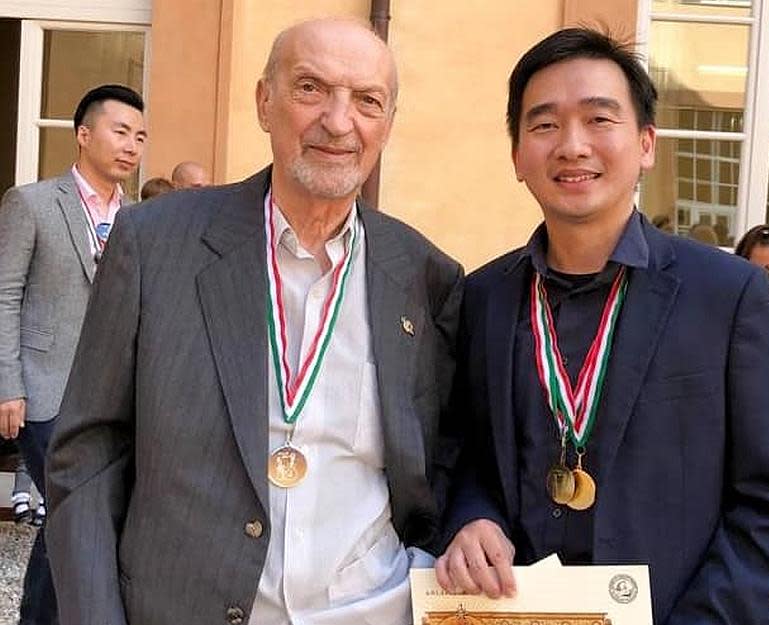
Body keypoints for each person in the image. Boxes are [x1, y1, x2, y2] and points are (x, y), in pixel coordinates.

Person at [46, 18, 463, 625]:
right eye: (311, 88)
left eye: (367, 101)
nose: (339, 121)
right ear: (264, 101)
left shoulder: (426, 275)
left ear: (388, 124)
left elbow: (442, 456)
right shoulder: (156, 244)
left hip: (372, 609)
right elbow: (87, 456)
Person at [434, 28, 769, 625]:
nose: (572, 146)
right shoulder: (483, 297)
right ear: (518, 155)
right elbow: (466, 453)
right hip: (515, 614)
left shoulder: (727, 295)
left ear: (647, 143)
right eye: (545, 124)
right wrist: (472, 517)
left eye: (600, 119)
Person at [0, 83, 146, 625]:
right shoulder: (32, 203)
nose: (131, 146)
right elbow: (4, 293)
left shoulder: (140, 220)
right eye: (120, 131)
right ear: (84, 136)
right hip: (46, 388)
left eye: (140, 136)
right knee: (75, 508)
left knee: (71, 516)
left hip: (114, 395)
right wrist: (6, 384)